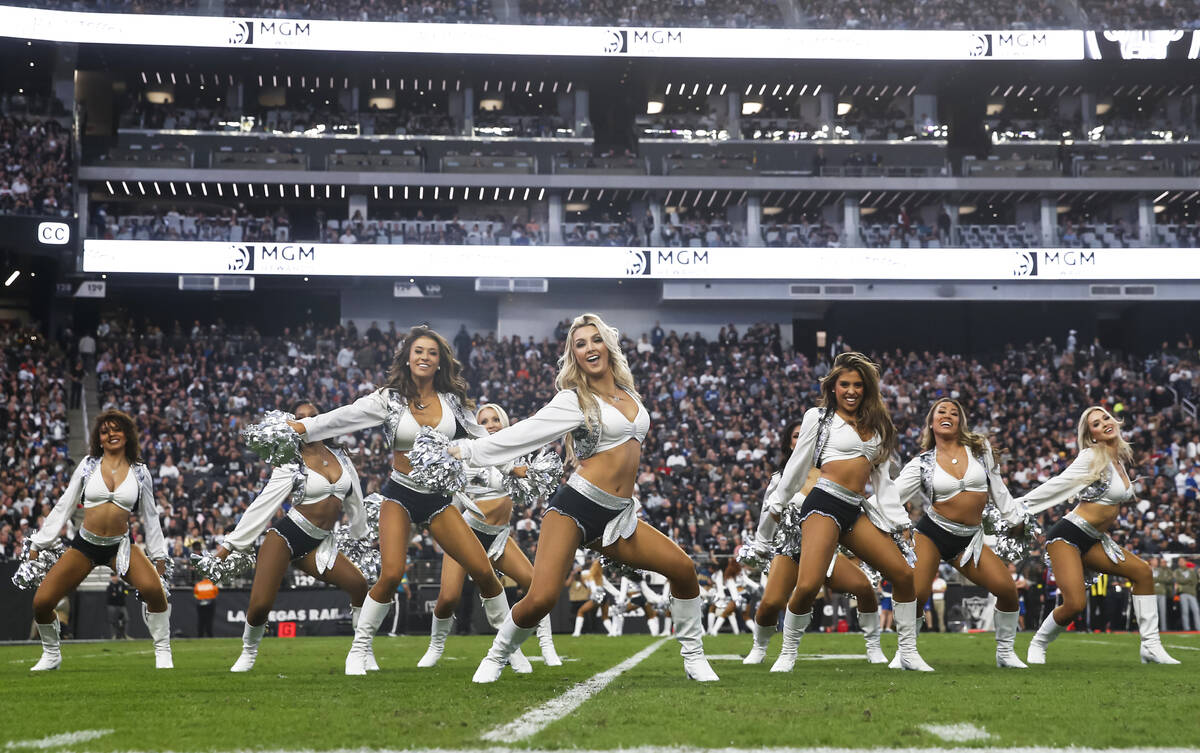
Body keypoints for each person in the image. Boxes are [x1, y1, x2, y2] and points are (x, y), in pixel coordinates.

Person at [448, 313, 719, 682]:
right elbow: (523, 434)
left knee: (684, 570)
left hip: (618, 516)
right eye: (580, 344)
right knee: (542, 596)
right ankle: (496, 657)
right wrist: (468, 451)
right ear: (574, 356)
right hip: (575, 507)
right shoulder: (574, 399)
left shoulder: (629, 395)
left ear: (608, 345)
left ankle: (694, 658)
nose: (590, 348)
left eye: (595, 340)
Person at [288, 326, 509, 676]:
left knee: (483, 570)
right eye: (418, 351)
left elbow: (485, 439)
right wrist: (306, 427)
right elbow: (344, 415)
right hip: (400, 495)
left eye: (432, 353)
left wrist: (520, 461)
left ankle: (507, 646)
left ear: (440, 362)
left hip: (437, 500)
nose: (424, 357)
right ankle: (359, 649)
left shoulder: (452, 402)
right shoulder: (388, 399)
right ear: (407, 357)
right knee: (391, 574)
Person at [764, 352, 928, 671]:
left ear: (866, 389)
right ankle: (787, 653)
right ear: (833, 387)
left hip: (855, 509)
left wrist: (899, 523)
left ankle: (907, 652)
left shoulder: (877, 426)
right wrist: (777, 504)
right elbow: (797, 466)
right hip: (823, 504)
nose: (851, 390)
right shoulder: (818, 417)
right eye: (844, 385)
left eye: (857, 385)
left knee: (904, 574)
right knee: (809, 585)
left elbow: (883, 481)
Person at [219, 401, 371, 672]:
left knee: (359, 585)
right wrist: (229, 545)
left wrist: (362, 536)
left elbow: (355, 500)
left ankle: (363, 649)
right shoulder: (291, 460)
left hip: (318, 543)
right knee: (260, 605)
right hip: (285, 538)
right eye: (300, 418)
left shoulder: (341, 457)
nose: (308, 422)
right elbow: (264, 504)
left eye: (313, 417)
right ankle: (248, 652)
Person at [1020, 406, 1178, 664]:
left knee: (1143, 572)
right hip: (1067, 536)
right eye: (1095, 423)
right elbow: (1057, 484)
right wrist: (1017, 506)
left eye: (1105, 417)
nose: (1104, 422)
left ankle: (1151, 647)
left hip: (1094, 539)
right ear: (1091, 435)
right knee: (1074, 604)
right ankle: (1038, 644)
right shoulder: (1091, 456)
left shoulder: (1117, 459)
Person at [418, 403, 561, 669]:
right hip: (467, 533)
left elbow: (533, 483)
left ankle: (546, 646)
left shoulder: (516, 453)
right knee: (448, 597)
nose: (491, 424)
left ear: (505, 422)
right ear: (477, 427)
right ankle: (435, 647)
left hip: (499, 538)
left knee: (535, 584)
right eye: (484, 421)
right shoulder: (470, 454)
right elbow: (452, 495)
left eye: (496, 419)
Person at [26, 410, 172, 671]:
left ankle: (163, 651)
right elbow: (65, 505)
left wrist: (159, 556)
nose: (110, 435)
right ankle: (51, 654)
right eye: (105, 432)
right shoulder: (88, 464)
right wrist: (39, 543)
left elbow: (151, 516)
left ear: (126, 434)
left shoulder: (140, 472)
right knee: (42, 603)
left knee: (155, 592)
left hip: (120, 546)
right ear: (99, 438)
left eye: (116, 429)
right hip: (85, 545)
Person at [894, 398, 1030, 668]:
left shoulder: (980, 451)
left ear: (960, 422)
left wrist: (1015, 518)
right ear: (931, 423)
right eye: (941, 412)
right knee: (918, 594)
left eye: (954, 413)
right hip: (932, 533)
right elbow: (890, 496)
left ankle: (1005, 653)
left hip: (969, 539)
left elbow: (998, 488)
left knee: (1007, 589)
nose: (948, 415)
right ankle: (905, 653)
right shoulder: (922, 463)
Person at [742, 417, 886, 668]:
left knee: (863, 587)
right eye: (795, 436)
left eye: (804, 435)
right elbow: (769, 512)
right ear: (789, 444)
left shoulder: (833, 472)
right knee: (770, 603)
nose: (800, 440)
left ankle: (873, 645)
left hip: (825, 551)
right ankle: (759, 647)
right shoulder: (781, 477)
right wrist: (761, 544)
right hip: (791, 550)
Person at [1175, 558, 1199, 631]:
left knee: (1196, 611)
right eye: (1180, 561)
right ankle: (1186, 629)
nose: (1181, 562)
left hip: (1192, 593)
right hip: (1183, 594)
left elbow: (1194, 582)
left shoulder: (1191, 571)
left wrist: (1182, 585)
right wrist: (1188, 582)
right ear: (1178, 563)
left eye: (1183, 561)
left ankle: (1198, 628)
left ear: (1186, 562)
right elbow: (1178, 580)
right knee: (1185, 611)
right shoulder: (1177, 571)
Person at [106, 573, 128, 640]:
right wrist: (119, 595)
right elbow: (109, 596)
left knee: (126, 619)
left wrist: (120, 594)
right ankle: (114, 635)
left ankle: (125, 635)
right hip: (112, 605)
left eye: (115, 576)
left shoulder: (121, 584)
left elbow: (126, 591)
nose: (114, 578)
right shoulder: (110, 586)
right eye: (113, 576)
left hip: (122, 605)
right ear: (111, 577)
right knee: (112, 621)